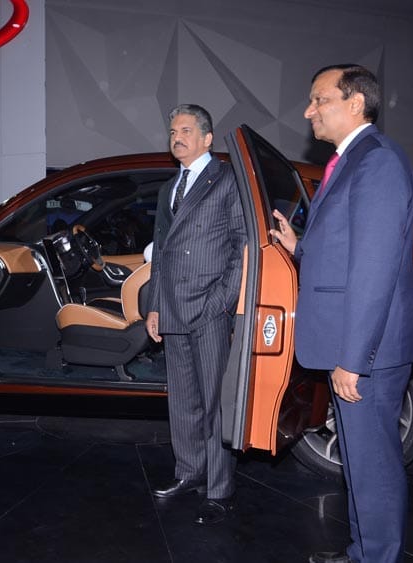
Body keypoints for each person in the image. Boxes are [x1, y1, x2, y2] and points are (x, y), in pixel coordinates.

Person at [271, 65, 413, 563]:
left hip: (368, 353)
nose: (308, 110)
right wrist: (301, 247)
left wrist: (353, 359)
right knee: (361, 465)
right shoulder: (352, 160)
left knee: (373, 466)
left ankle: (376, 558)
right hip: (356, 347)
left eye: (319, 99)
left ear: (356, 102)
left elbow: (374, 270)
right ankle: (364, 551)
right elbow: (344, 252)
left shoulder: (376, 162)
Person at [145, 104, 246, 525]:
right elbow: (160, 254)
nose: (177, 137)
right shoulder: (169, 187)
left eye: (186, 130)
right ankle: (188, 472)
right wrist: (152, 306)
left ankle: (219, 488)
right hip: (171, 306)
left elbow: (242, 246)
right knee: (183, 402)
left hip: (209, 308)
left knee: (213, 404)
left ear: (207, 138)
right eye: (172, 131)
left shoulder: (226, 181)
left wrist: (222, 301)